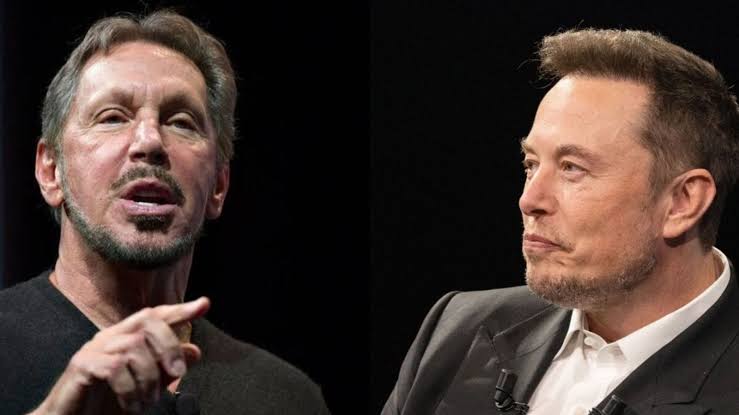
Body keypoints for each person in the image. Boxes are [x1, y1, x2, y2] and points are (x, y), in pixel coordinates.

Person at [383, 28, 739, 414]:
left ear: (682, 202)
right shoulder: (457, 330)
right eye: (531, 164)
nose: (529, 200)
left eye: (572, 168)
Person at [0, 10, 330, 415]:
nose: (150, 141)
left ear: (219, 185)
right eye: (112, 117)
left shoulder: (286, 398)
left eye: (181, 122)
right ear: (51, 172)